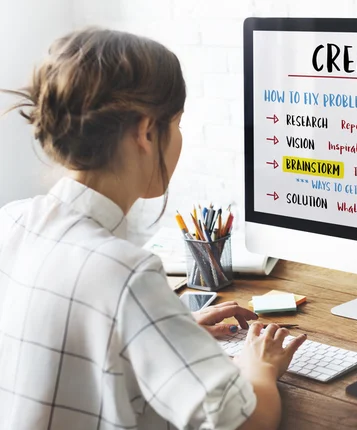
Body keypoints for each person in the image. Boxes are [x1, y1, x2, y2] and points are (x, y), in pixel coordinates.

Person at [0, 27, 306, 430]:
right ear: (146, 132)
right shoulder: (126, 273)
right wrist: (258, 366)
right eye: (176, 124)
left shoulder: (11, 221)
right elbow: (248, 422)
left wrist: (165, 330)